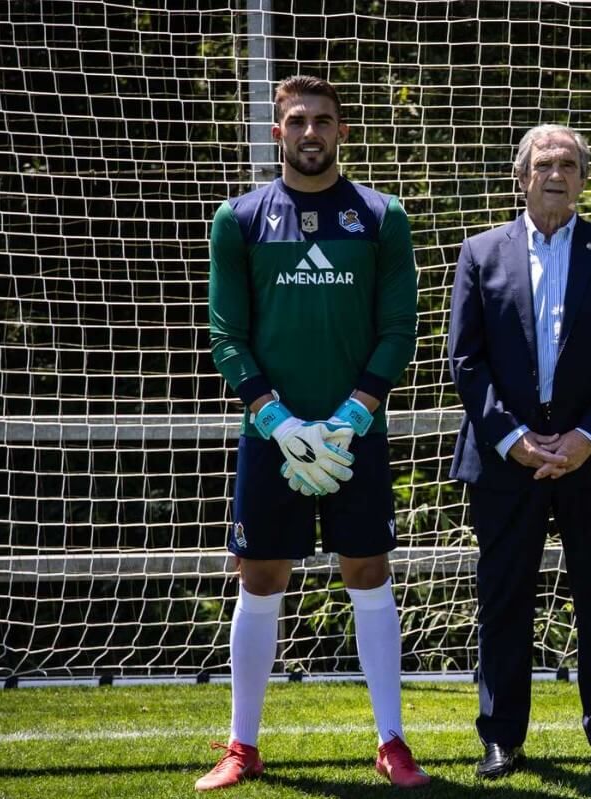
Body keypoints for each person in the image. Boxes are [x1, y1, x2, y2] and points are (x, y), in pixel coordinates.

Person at [200, 75, 427, 789]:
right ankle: (243, 744)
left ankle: (390, 740)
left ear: (342, 131)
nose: (309, 131)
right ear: (277, 132)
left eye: (323, 120)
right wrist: (277, 421)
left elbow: (398, 329)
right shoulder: (237, 219)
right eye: (295, 120)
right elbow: (226, 334)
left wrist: (351, 416)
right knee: (260, 575)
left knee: (368, 571)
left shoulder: (380, 216)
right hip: (272, 435)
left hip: (354, 432)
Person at [447, 124, 591, 779]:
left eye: (567, 163)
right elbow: (466, 360)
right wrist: (515, 440)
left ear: (583, 179)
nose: (555, 173)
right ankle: (501, 738)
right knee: (503, 599)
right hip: (505, 460)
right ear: (521, 176)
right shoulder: (480, 252)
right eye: (543, 163)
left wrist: (585, 438)